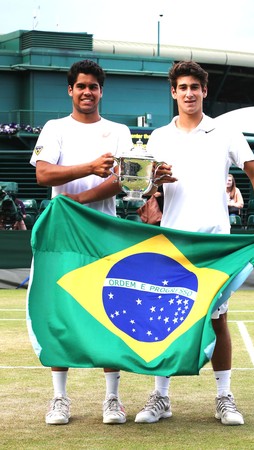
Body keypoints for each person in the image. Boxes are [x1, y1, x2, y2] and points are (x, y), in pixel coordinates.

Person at [65, 60, 254, 426]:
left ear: (204, 91)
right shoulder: (160, 137)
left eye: (195, 87)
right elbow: (143, 191)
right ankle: (160, 397)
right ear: (173, 93)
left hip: (213, 242)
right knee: (165, 319)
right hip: (171, 242)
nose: (189, 93)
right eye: (182, 87)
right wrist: (156, 182)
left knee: (218, 320)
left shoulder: (225, 129)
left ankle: (224, 397)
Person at [29, 59, 133, 426]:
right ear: (70, 90)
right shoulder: (55, 128)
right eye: (81, 86)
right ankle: (59, 398)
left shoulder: (119, 131)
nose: (87, 92)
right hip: (63, 235)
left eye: (93, 86)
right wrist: (89, 168)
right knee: (61, 313)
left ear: (101, 91)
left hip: (106, 232)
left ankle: (113, 399)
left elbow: (125, 180)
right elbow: (43, 173)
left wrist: (79, 202)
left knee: (111, 313)